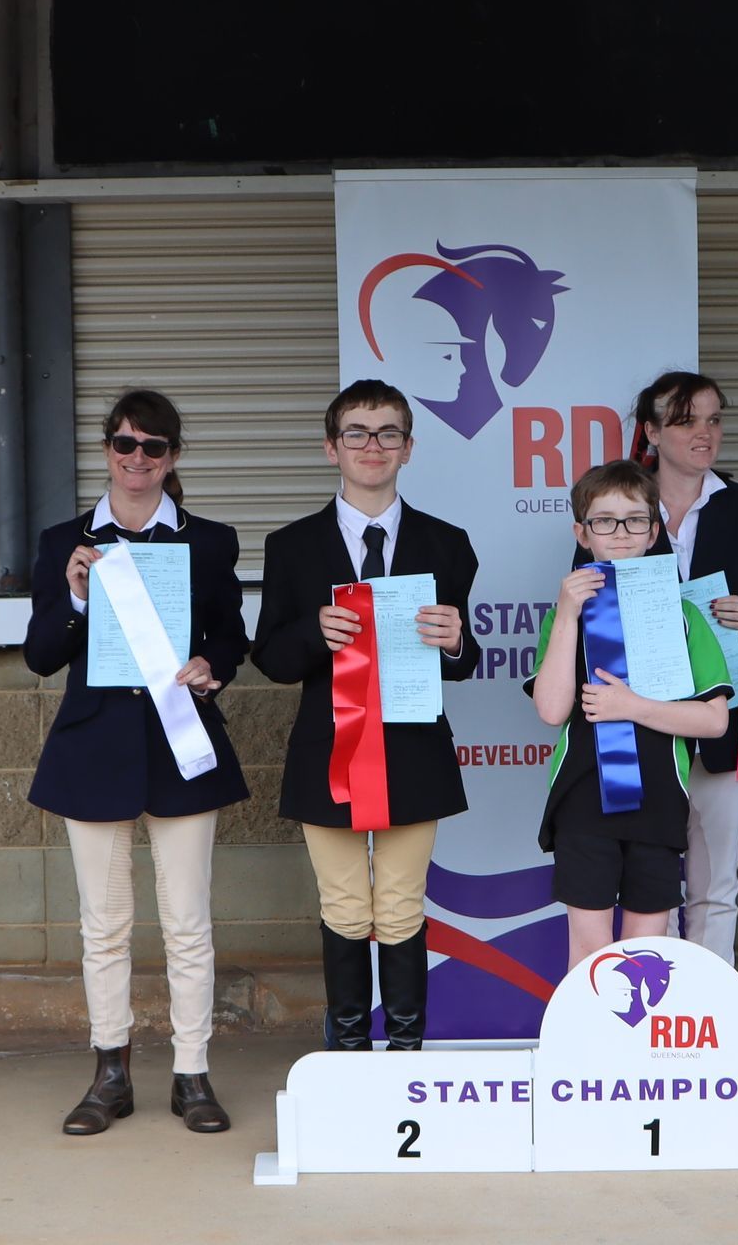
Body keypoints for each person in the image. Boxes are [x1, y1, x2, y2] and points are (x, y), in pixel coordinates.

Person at [25, 388, 249, 1134]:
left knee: (187, 922)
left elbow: (232, 635)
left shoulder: (210, 541)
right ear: (107, 451)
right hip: (94, 749)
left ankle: (192, 1075)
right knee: (104, 924)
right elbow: (39, 653)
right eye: (125, 445)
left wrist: (211, 663)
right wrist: (77, 598)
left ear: (172, 457)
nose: (137, 459)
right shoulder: (64, 541)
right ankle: (110, 1073)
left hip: (182, 744)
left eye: (153, 447)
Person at [250, 379, 480, 1052]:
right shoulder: (292, 545)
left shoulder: (448, 545)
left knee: (403, 905)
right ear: (332, 448)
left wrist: (455, 639)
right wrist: (309, 635)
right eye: (357, 432)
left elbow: (463, 661)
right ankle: (350, 1052)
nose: (372, 445)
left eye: (387, 433)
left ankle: (405, 1054)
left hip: (414, 755)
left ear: (409, 447)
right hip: (330, 754)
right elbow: (269, 657)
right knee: (346, 907)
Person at [526, 460, 732, 972]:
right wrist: (570, 613)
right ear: (582, 532)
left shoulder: (683, 614)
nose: (620, 533)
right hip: (584, 798)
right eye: (604, 520)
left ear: (654, 530)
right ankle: (590, 1053)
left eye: (634, 520)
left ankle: (639, 1052)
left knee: (648, 948)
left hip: (660, 797)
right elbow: (552, 710)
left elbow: (714, 722)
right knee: (590, 949)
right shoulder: (560, 615)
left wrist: (630, 707)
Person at [620, 372, 738, 964]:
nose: (704, 433)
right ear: (651, 430)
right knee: (652, 886)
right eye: (687, 420)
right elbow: (590, 609)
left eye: (714, 420)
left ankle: (712, 1021)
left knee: (718, 882)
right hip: (644, 721)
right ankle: (659, 1015)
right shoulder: (621, 505)